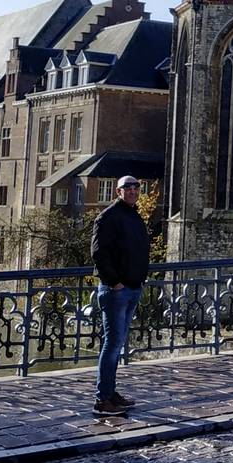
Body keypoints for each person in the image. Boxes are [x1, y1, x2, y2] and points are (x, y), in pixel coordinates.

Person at [91, 176, 151, 415]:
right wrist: (114, 282)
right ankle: (102, 400)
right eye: (128, 187)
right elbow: (98, 253)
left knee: (117, 345)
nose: (134, 191)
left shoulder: (134, 215)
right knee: (112, 345)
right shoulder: (107, 217)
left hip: (132, 287)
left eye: (137, 187)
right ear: (118, 191)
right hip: (117, 290)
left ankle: (110, 393)